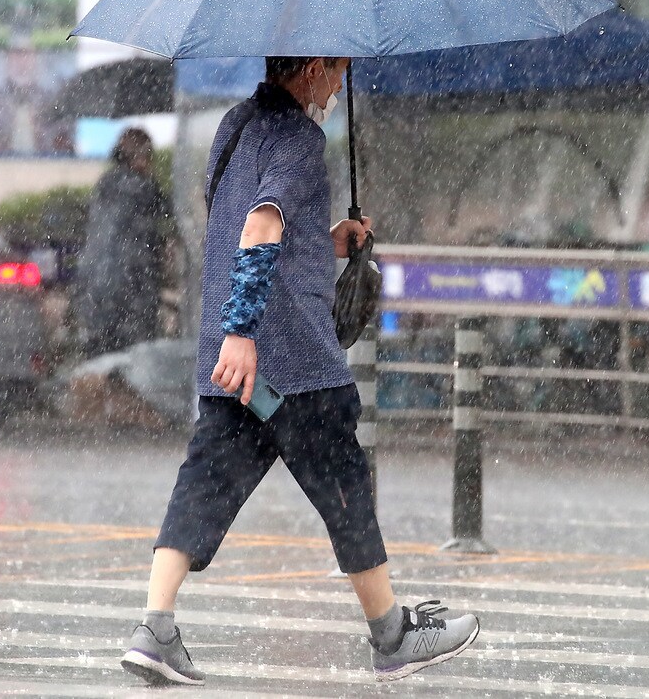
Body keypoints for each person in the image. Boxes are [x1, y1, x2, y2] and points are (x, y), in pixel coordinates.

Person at [120, 56, 479, 686]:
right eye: (336, 69)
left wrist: (328, 240)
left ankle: (155, 626)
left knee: (203, 483)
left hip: (235, 366)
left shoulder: (235, 126)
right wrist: (244, 331)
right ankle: (391, 634)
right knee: (345, 487)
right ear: (310, 69)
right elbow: (260, 224)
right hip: (292, 360)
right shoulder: (298, 139)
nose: (340, 83)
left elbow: (243, 225)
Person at [76, 127, 174, 357]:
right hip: (131, 288)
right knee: (135, 358)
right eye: (148, 156)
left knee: (102, 353)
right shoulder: (142, 188)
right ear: (139, 156)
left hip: (97, 286)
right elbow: (166, 217)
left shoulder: (106, 184)